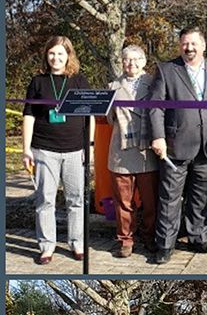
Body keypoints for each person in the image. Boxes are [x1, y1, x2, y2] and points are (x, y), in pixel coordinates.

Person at [149, 27, 207, 264]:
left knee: (200, 196)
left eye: (193, 44)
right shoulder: (167, 70)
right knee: (169, 197)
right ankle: (165, 245)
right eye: (184, 44)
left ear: (204, 45)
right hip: (175, 145)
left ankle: (198, 237)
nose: (188, 48)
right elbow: (155, 106)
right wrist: (157, 137)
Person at [22, 35, 92, 265]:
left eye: (61, 53)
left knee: (76, 199)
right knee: (45, 200)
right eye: (52, 53)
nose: (56, 57)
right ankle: (46, 246)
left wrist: (88, 146)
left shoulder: (80, 81)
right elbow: (29, 116)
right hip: (44, 149)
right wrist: (26, 149)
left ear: (68, 56)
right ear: (47, 55)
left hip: (74, 150)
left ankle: (77, 242)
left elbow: (89, 115)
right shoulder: (37, 82)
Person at [107, 45, 159, 259]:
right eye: (127, 59)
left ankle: (149, 236)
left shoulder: (154, 83)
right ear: (122, 62)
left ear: (144, 61)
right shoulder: (112, 86)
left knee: (150, 200)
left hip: (147, 151)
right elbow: (109, 118)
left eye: (136, 59)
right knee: (123, 201)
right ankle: (125, 239)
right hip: (121, 151)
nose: (132, 63)